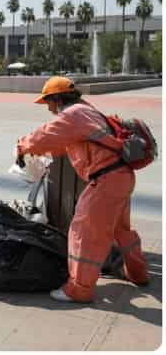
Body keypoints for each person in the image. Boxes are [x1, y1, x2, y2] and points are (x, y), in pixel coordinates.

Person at [16, 76, 149, 303]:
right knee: (122, 230)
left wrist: (21, 146)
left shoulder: (72, 115)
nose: (47, 108)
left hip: (106, 180)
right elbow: (71, 141)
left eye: (47, 102)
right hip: (122, 176)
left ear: (57, 99)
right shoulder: (88, 110)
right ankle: (138, 273)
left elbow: (43, 136)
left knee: (83, 232)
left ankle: (79, 288)